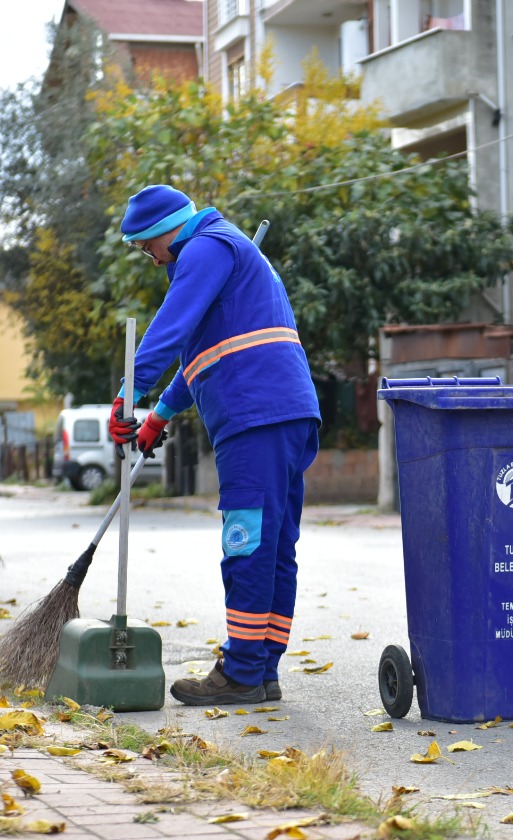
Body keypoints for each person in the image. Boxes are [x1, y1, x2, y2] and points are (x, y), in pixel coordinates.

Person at [108, 184, 321, 706]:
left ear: (163, 231)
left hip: (253, 415)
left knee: (246, 543)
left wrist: (128, 393)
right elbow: (198, 348)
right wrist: (159, 415)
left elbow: (168, 327)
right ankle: (262, 669)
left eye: (144, 246)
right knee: (273, 547)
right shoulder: (227, 247)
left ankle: (243, 673)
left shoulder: (204, 248)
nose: (151, 258)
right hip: (287, 413)